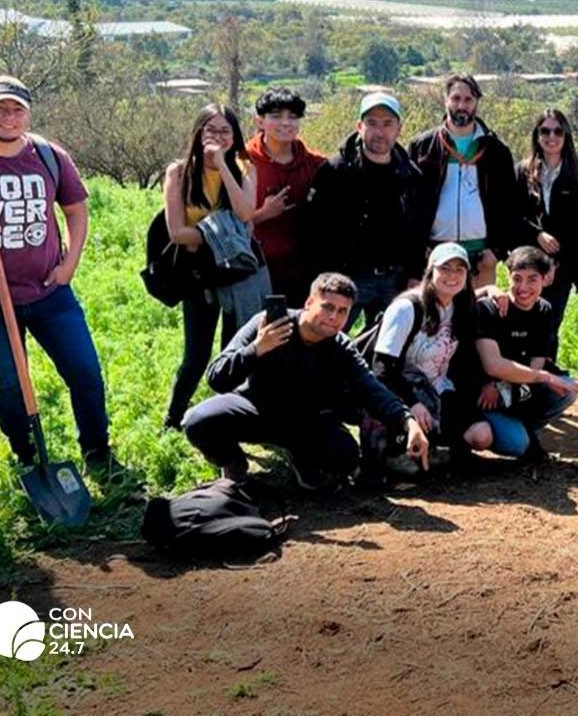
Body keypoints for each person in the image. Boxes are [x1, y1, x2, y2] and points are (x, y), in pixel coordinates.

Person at [0, 76, 115, 472]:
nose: (8, 117)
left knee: (85, 371)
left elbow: (76, 209)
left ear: (28, 113)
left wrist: (69, 265)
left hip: (49, 292)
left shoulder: (48, 154)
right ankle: (26, 455)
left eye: (17, 109)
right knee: (9, 382)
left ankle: (98, 451)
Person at [183, 273, 427, 489]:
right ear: (309, 303)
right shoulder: (268, 324)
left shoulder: (341, 347)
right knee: (198, 421)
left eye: (343, 311)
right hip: (255, 408)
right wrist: (257, 349)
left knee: (346, 457)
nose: (334, 317)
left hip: (306, 421)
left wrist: (407, 421)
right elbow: (216, 377)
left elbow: (371, 388)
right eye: (328, 307)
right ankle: (234, 463)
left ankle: (302, 459)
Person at [160, 104, 264, 430]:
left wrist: (222, 164)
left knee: (233, 351)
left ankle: (226, 418)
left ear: (234, 137)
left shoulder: (245, 169)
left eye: (225, 131)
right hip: (198, 275)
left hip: (237, 275)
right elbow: (177, 232)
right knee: (196, 355)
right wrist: (225, 234)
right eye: (211, 130)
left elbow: (246, 213)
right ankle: (173, 418)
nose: (217, 137)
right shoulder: (179, 172)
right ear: (198, 133)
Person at [304, 91, 428, 328]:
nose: (380, 132)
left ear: (399, 129)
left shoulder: (411, 175)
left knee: (387, 349)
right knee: (327, 339)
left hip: (395, 280)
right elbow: (313, 228)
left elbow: (419, 231)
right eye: (372, 123)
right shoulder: (335, 170)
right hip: (345, 277)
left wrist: (415, 274)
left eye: (387, 124)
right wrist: (325, 277)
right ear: (359, 126)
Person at [364, 243, 485, 464]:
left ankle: (434, 446)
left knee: (481, 434)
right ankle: (391, 453)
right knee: (406, 462)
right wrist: (411, 405)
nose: (453, 276)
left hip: (438, 389)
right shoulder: (407, 308)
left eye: (460, 270)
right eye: (445, 268)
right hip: (397, 388)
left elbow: (467, 361)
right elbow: (382, 368)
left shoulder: (462, 307)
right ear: (430, 272)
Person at [407, 74, 522, 289]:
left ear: (477, 102)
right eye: (456, 98)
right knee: (436, 320)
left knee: (477, 320)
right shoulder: (422, 147)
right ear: (446, 100)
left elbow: (510, 206)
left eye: (468, 100)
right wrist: (417, 258)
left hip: (481, 257)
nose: (462, 105)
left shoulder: (496, 151)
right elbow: (410, 208)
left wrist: (496, 251)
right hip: (436, 254)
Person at [472, 247, 578, 461]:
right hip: (485, 390)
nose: (523, 288)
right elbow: (491, 365)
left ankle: (525, 427)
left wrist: (510, 385)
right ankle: (498, 429)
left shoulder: (544, 310)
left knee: (567, 388)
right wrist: (487, 289)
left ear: (545, 279)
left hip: (514, 387)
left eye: (532, 280)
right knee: (518, 444)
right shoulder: (490, 309)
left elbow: (537, 363)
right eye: (517, 279)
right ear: (508, 276)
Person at [516, 109, 578, 337]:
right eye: (545, 131)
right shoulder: (522, 172)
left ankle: (544, 369)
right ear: (537, 135)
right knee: (523, 325)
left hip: (562, 268)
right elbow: (512, 216)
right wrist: (537, 234)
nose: (551, 136)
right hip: (526, 264)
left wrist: (559, 265)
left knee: (550, 326)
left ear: (566, 135)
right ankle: (521, 372)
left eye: (558, 131)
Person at [246, 87, 325, 304]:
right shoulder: (242, 163)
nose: (285, 123)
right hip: (254, 267)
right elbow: (225, 223)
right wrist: (263, 214)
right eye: (276, 116)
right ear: (260, 121)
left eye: (293, 117)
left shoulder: (317, 165)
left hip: (302, 269)